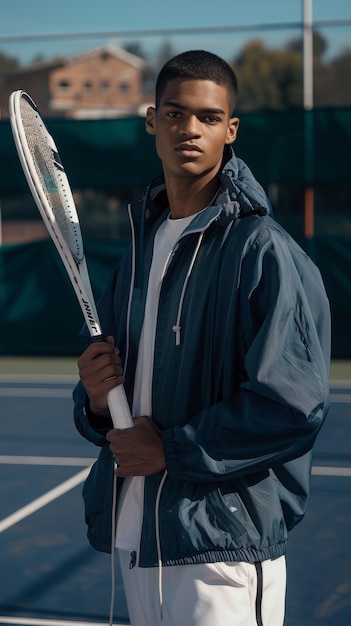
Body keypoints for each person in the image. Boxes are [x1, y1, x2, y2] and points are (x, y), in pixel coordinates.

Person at [73, 50, 331, 626]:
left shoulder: (262, 250)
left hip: (221, 547)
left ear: (230, 129)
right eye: (174, 113)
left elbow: (293, 404)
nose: (190, 128)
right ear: (151, 121)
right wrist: (93, 400)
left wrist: (170, 450)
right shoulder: (136, 255)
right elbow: (121, 399)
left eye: (209, 118)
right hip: (139, 536)